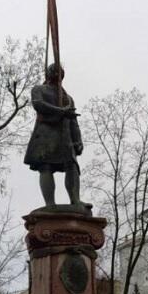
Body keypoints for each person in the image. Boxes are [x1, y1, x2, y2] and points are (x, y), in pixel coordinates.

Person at [24, 63, 86, 208]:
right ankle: (50, 204)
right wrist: (60, 111)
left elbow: (73, 121)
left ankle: (75, 200)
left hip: (65, 135)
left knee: (72, 166)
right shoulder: (39, 89)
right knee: (46, 166)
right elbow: (38, 104)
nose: (58, 75)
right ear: (49, 74)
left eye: (60, 73)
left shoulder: (68, 98)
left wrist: (78, 140)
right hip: (46, 133)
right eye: (55, 72)